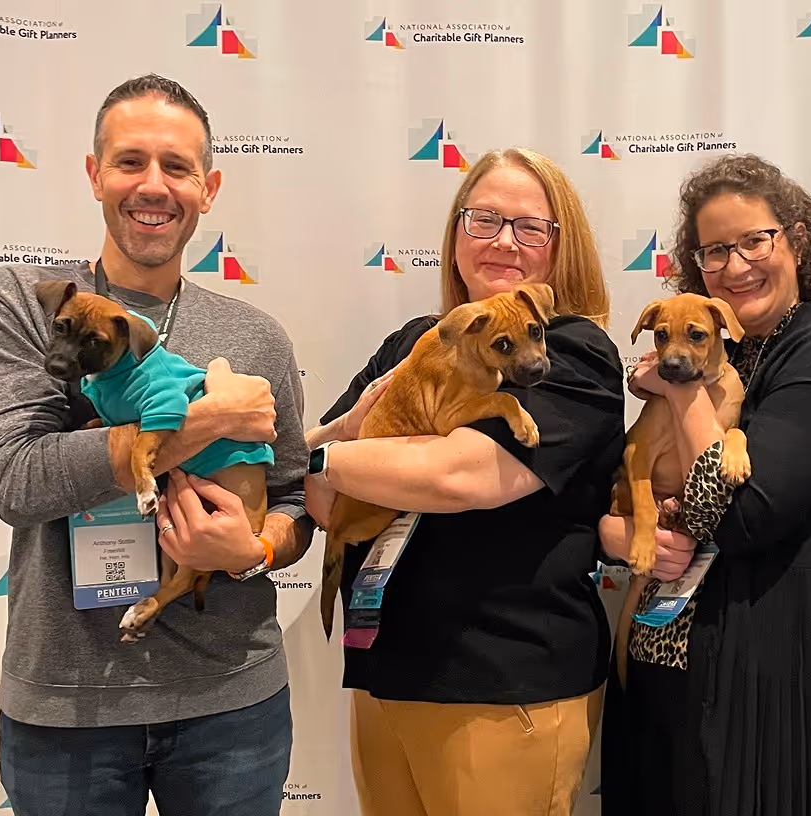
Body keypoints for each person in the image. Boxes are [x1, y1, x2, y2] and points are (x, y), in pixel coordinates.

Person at [0, 74, 311, 816]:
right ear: (94, 174)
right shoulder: (24, 303)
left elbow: (290, 501)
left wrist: (256, 551)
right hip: (67, 711)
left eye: (177, 167)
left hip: (232, 704)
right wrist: (210, 420)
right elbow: (17, 479)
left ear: (208, 188)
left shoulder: (257, 336)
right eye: (130, 161)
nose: (154, 185)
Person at [303, 146, 625, 816]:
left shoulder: (569, 351)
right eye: (483, 220)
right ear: (455, 236)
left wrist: (325, 454)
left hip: (505, 685)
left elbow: (462, 476)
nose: (504, 241)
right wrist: (333, 455)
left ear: (561, 249)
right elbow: (324, 503)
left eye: (530, 227)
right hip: (384, 674)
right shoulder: (411, 343)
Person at [600, 153, 811, 816]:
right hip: (676, 669)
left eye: (756, 240)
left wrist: (677, 388)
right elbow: (623, 480)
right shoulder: (721, 352)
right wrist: (614, 531)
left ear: (799, 239)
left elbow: (741, 515)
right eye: (713, 251)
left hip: (785, 678)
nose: (736, 266)